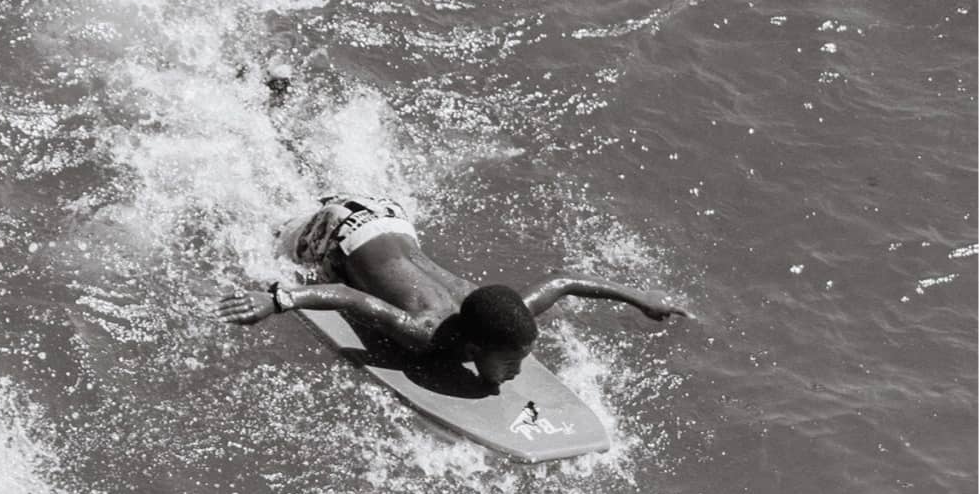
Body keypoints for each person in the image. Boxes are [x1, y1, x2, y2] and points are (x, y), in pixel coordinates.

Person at [216, 194, 688, 384]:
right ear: (473, 345)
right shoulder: (425, 330)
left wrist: (640, 297)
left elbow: (563, 285)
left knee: (304, 183)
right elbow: (350, 298)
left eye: (519, 359)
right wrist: (277, 300)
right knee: (265, 220)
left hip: (389, 218)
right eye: (508, 361)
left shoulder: (505, 311)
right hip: (340, 230)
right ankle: (270, 101)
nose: (517, 370)